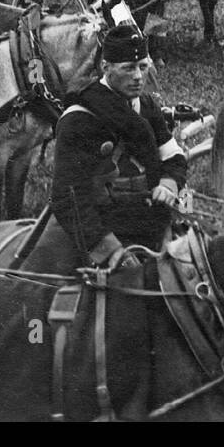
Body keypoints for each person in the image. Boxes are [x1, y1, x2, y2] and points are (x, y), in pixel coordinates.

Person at [50, 25, 188, 269]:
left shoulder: (146, 106)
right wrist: (111, 251)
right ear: (106, 68)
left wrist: (169, 183)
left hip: (152, 220)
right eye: (128, 68)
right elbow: (67, 199)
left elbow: (174, 156)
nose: (138, 76)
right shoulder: (79, 120)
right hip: (106, 229)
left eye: (143, 67)